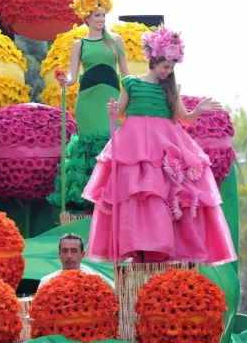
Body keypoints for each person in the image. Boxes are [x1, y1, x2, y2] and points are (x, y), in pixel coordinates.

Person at [82, 26, 237, 265]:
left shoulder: (171, 89)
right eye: (166, 66)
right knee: (138, 195)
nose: (168, 71)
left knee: (166, 198)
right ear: (153, 61)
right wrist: (113, 111)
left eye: (172, 68)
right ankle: (140, 246)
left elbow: (184, 120)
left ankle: (163, 247)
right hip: (134, 145)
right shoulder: (131, 83)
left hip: (166, 144)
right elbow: (120, 112)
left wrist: (198, 110)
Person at [48, 0, 130, 211]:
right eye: (96, 15)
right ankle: (89, 205)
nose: (101, 19)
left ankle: (111, 201)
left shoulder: (116, 41)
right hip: (87, 101)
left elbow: (126, 74)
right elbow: (74, 77)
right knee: (89, 148)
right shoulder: (79, 44)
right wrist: (65, 79)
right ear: (86, 17)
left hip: (110, 101)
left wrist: (136, 92)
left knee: (109, 144)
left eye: (103, 14)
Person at [38, 233, 103, 288]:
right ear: (59, 254)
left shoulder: (94, 281)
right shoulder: (47, 281)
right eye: (65, 251)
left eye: (74, 251)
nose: (69, 256)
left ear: (82, 254)